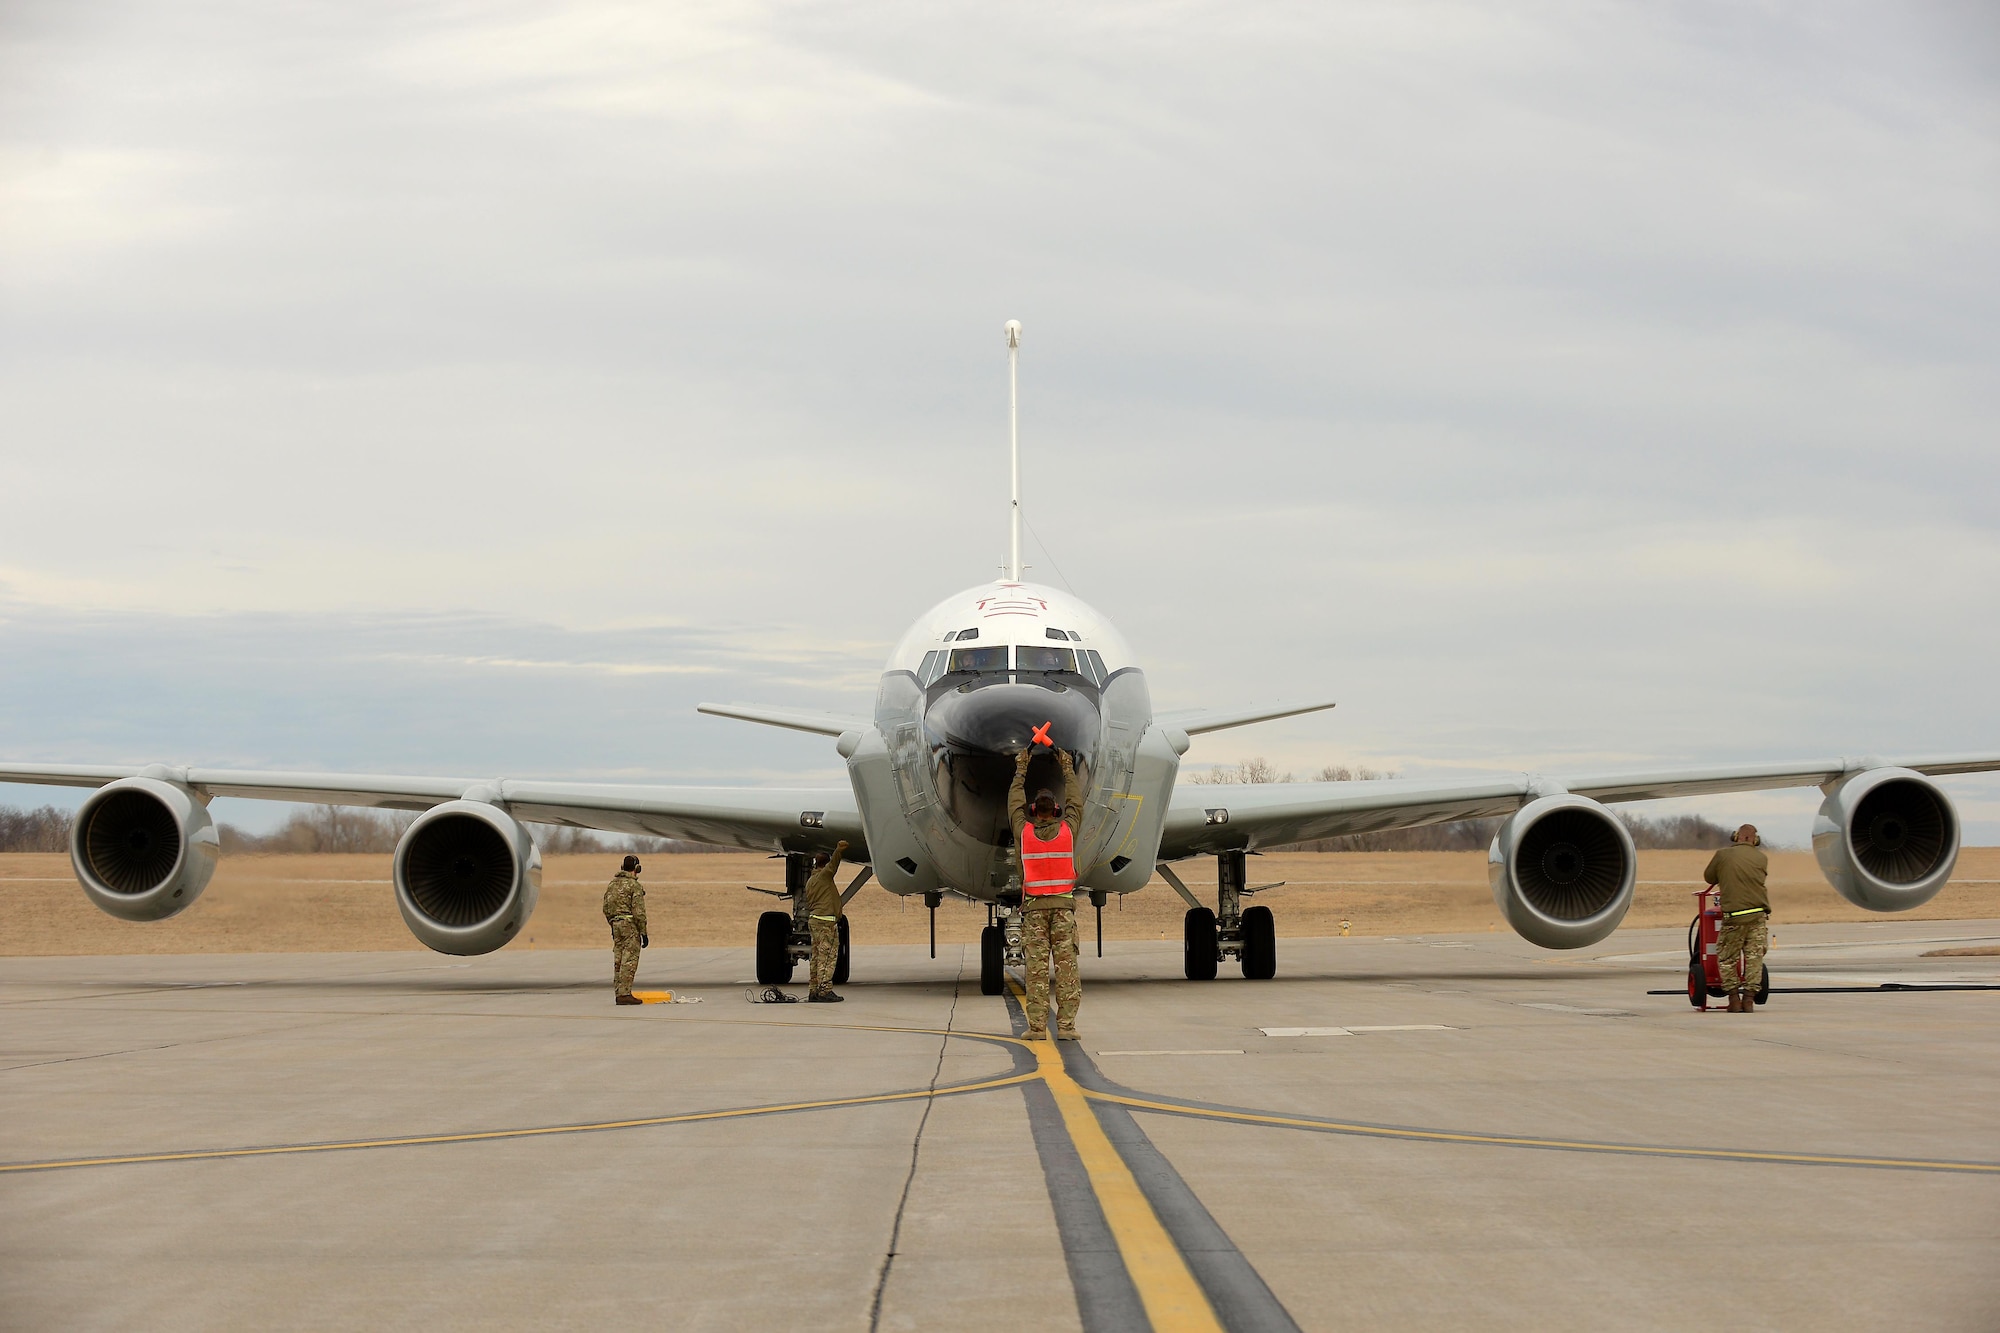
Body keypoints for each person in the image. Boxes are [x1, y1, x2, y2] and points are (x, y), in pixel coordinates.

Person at [1010, 743, 1085, 1040]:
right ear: (1056, 810)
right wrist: (1067, 766)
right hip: (1063, 910)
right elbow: (1076, 802)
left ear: (1032, 811)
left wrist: (1021, 768)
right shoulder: (1067, 831)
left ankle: (1037, 1028)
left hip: (1035, 911)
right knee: (1066, 969)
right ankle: (1067, 1028)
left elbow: (1013, 804)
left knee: (1037, 970)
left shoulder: (1024, 833)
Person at [1703, 824, 1770, 1012]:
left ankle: (1733, 999)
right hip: (1758, 915)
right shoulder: (1761, 858)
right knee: (1754, 957)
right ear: (1754, 840)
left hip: (1734, 917)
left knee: (1726, 957)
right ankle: (1749, 1000)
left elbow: (1709, 877)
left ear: (1736, 837)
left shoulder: (1723, 855)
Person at [804, 840, 848, 1002]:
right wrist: (839, 850)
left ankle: (813, 990)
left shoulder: (811, 881)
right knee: (828, 956)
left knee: (815, 956)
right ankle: (824, 990)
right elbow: (834, 865)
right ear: (825, 864)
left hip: (815, 921)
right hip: (825, 923)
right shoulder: (824, 876)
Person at [602, 854, 648, 1005]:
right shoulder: (634, 886)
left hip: (616, 924)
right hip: (629, 926)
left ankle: (619, 992)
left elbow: (606, 908)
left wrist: (613, 924)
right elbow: (639, 912)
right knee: (629, 959)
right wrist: (643, 932)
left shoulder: (612, 884)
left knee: (619, 959)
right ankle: (625, 994)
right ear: (637, 869)